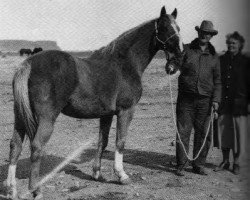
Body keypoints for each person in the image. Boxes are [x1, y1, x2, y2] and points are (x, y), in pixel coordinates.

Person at [165, 20, 222, 176]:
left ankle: (199, 165)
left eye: (208, 33)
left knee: (203, 134)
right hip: (186, 99)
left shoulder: (214, 56)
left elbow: (218, 81)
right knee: (183, 132)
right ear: (198, 33)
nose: (205, 35)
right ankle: (181, 164)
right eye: (203, 32)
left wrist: (216, 100)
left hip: (206, 101)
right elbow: (175, 63)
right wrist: (171, 66)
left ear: (211, 36)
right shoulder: (187, 50)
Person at [214, 31, 249, 175]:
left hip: (240, 105)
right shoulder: (222, 60)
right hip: (224, 104)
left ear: (240, 44)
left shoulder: (246, 61)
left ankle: (237, 163)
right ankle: (225, 160)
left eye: (233, 43)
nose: (230, 45)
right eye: (229, 43)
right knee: (224, 134)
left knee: (238, 136)